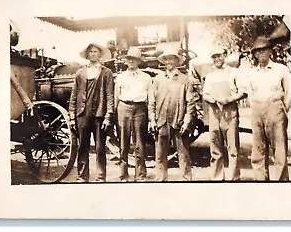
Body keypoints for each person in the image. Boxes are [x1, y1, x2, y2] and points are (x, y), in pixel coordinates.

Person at [68, 43, 114, 183]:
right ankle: (82, 176)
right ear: (87, 55)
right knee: (83, 146)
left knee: (100, 147)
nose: (93, 54)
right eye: (90, 52)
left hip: (99, 115)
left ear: (100, 55)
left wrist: (109, 115)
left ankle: (101, 177)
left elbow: (110, 95)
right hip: (82, 114)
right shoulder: (80, 72)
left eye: (95, 52)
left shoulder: (107, 73)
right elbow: (74, 95)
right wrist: (71, 116)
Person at [149, 47, 196, 181]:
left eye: (172, 58)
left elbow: (190, 103)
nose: (169, 61)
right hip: (161, 122)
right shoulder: (158, 79)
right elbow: (151, 101)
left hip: (179, 122)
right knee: (160, 155)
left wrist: (187, 121)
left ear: (177, 61)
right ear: (164, 61)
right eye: (167, 59)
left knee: (183, 153)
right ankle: (161, 180)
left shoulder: (185, 80)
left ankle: (186, 180)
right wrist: (152, 120)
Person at [248, 36, 291, 181]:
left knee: (279, 149)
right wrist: (256, 107)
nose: (261, 54)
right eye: (258, 51)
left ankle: (281, 181)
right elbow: (250, 94)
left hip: (275, 110)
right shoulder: (252, 73)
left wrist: (282, 108)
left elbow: (289, 92)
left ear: (270, 51)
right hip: (257, 109)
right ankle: (261, 181)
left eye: (264, 50)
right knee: (258, 150)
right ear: (254, 54)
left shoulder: (281, 70)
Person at [203, 46, 247, 181]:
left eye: (219, 56)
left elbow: (243, 92)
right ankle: (217, 178)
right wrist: (211, 99)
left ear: (225, 55)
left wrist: (228, 99)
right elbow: (205, 93)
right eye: (214, 57)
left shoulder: (234, 72)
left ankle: (233, 178)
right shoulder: (210, 75)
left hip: (230, 112)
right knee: (215, 147)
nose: (217, 59)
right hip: (214, 112)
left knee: (232, 148)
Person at [114, 47, 154, 182]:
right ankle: (123, 174)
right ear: (126, 61)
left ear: (138, 61)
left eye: (134, 59)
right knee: (123, 143)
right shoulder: (120, 77)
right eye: (129, 59)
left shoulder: (146, 78)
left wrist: (151, 115)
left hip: (140, 108)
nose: (131, 61)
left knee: (140, 143)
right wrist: (115, 113)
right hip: (123, 107)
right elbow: (116, 97)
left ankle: (141, 174)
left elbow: (150, 98)